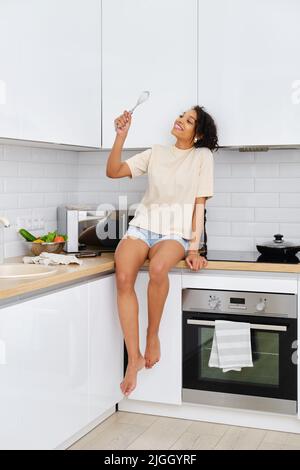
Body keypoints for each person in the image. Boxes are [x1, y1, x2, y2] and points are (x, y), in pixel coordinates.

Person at [106, 106, 218, 397]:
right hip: (142, 225)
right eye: (181, 115)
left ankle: (151, 335)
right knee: (123, 277)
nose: (180, 120)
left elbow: (199, 205)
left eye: (189, 120)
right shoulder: (155, 151)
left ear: (199, 134)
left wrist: (194, 248)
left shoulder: (202, 157)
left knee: (158, 269)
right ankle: (134, 358)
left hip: (174, 233)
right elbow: (113, 171)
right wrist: (121, 135)